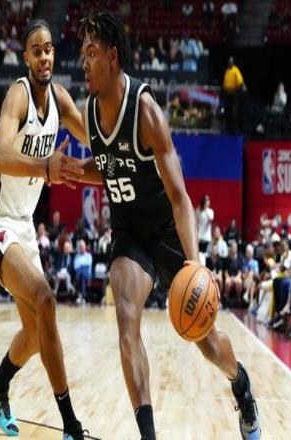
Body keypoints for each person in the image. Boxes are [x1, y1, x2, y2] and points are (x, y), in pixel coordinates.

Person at [77, 11, 260, 439]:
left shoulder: (145, 111)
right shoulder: (89, 110)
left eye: (92, 53)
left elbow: (180, 197)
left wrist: (195, 264)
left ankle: (241, 382)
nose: (83, 62)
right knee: (126, 319)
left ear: (113, 57)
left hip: (166, 233)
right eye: (82, 54)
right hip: (129, 234)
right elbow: (108, 165)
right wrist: (73, 170)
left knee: (206, 342)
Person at [0, 19, 87, 439]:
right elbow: (0, 156)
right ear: (26, 57)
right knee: (45, 299)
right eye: (36, 50)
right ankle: (71, 424)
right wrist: (45, 167)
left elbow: (95, 136)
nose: (44, 56)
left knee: (36, 333)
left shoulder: (61, 99)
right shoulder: (18, 95)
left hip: (24, 225)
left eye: (49, 49)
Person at [74, 239, 93, 303]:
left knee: (83, 271)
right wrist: (82, 266)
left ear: (85, 247)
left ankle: (80, 295)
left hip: (87, 273)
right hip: (79, 272)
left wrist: (81, 266)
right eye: (80, 246)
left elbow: (88, 265)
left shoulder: (89, 256)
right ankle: (83, 296)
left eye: (82, 246)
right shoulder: (77, 256)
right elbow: (75, 266)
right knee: (81, 273)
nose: (81, 248)